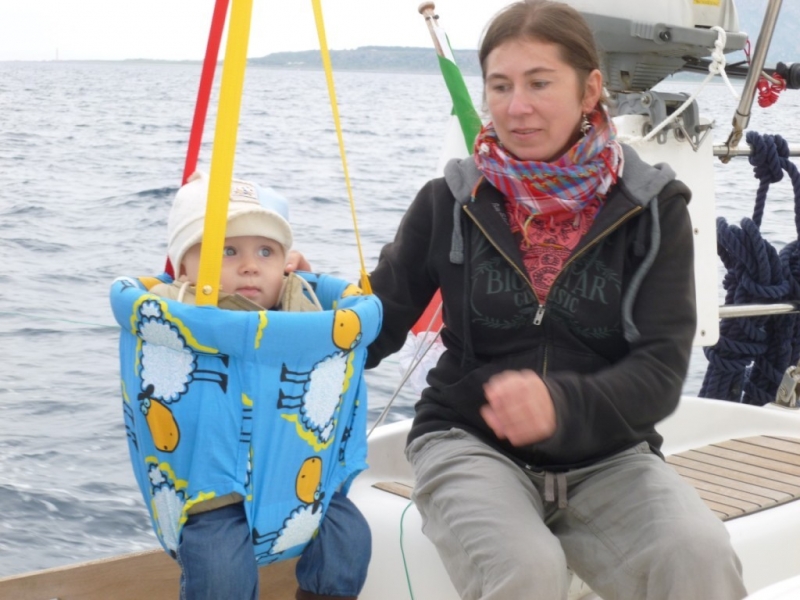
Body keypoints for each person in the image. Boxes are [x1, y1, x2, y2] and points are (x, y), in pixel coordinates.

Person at [363, 2, 748, 599]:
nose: (517, 107)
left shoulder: (652, 208)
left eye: (539, 83)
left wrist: (560, 405)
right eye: (500, 86)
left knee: (699, 555)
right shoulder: (449, 201)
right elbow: (374, 323)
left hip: (610, 455)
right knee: (527, 569)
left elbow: (660, 370)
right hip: (468, 442)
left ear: (589, 89)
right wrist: (284, 295)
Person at [153, 171, 371, 600]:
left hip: (299, 476)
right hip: (213, 490)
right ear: (185, 268)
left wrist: (299, 282)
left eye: (266, 252)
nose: (250, 265)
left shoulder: (301, 308)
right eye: (227, 250)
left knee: (350, 538)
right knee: (219, 568)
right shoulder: (176, 308)